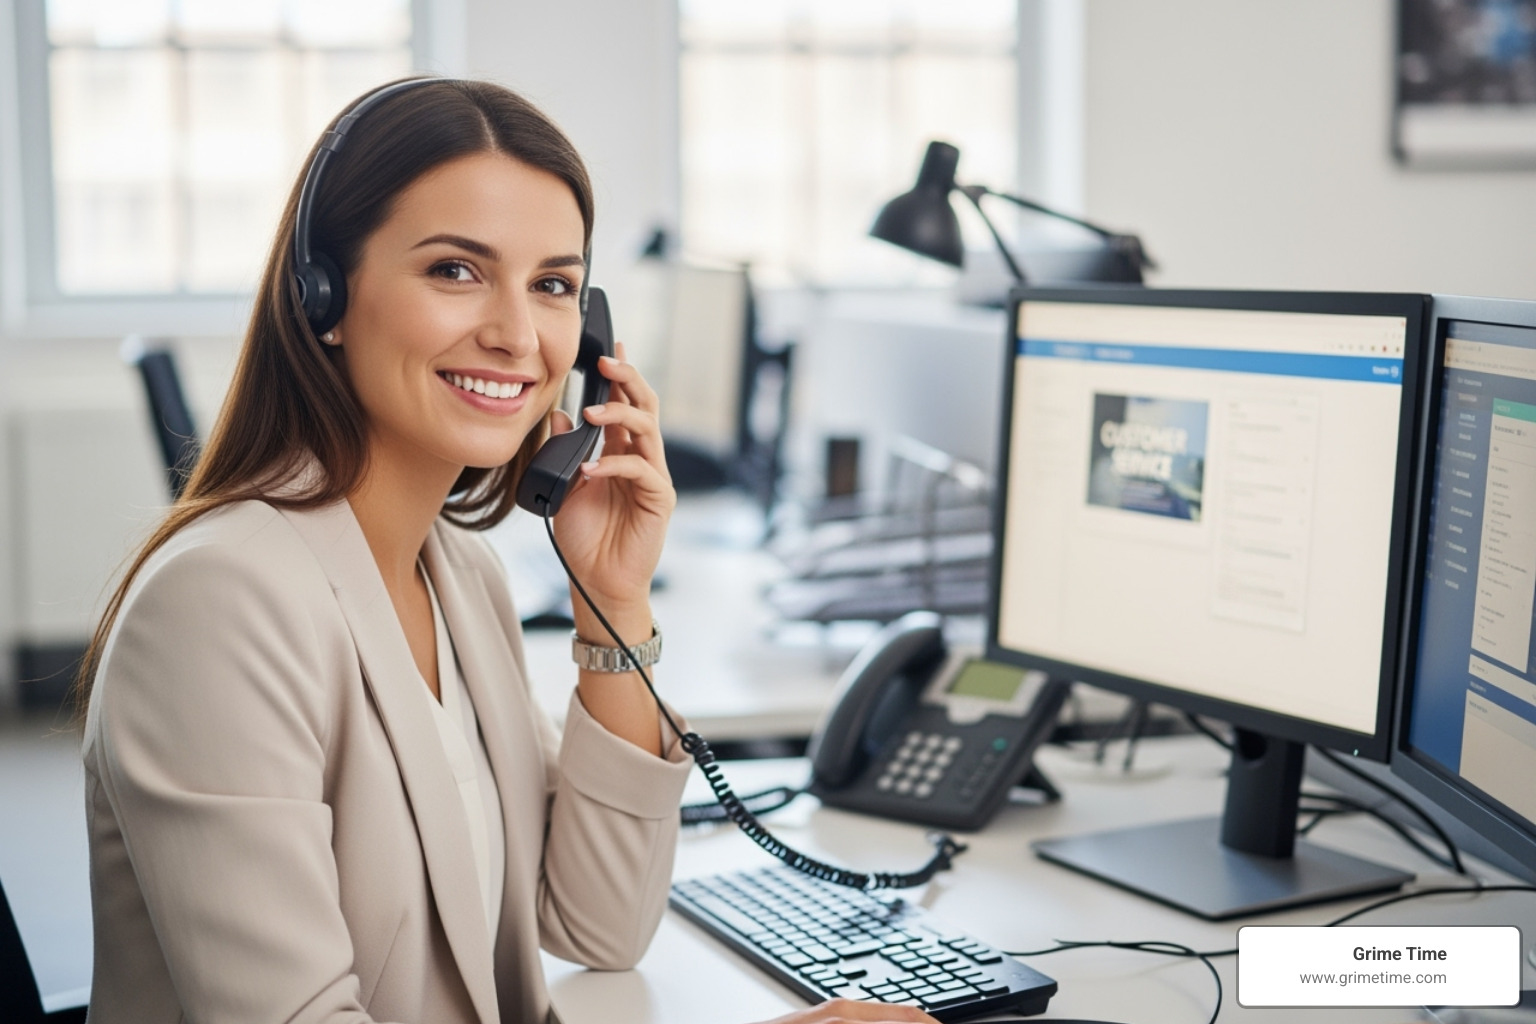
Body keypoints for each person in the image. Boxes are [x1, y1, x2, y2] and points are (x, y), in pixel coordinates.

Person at [78, 77, 938, 1024]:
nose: (517, 335)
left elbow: (600, 923)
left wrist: (613, 601)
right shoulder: (220, 605)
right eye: (455, 270)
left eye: (553, 285)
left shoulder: (458, 573)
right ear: (322, 294)